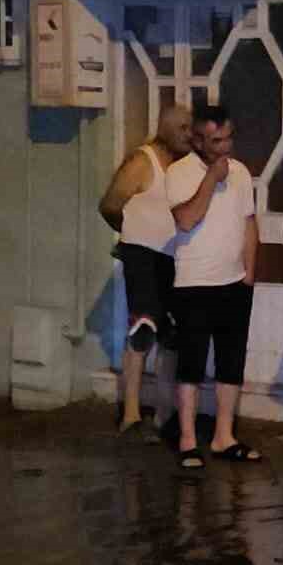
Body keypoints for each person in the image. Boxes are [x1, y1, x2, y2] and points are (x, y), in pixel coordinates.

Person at [166, 105, 263, 468]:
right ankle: (188, 439)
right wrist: (211, 179)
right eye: (216, 141)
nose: (225, 148)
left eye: (228, 138)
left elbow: (249, 223)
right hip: (193, 282)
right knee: (191, 362)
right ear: (197, 140)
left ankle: (225, 436)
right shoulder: (179, 172)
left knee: (230, 362)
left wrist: (249, 274)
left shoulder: (240, 173)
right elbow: (187, 219)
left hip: (234, 281)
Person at [98, 105, 192, 441]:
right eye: (182, 128)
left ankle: (165, 412)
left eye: (190, 128)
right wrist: (131, 236)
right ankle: (132, 413)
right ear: (164, 129)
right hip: (143, 257)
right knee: (143, 329)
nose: (188, 134)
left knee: (171, 336)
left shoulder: (185, 167)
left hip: (172, 258)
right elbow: (109, 204)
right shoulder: (142, 161)